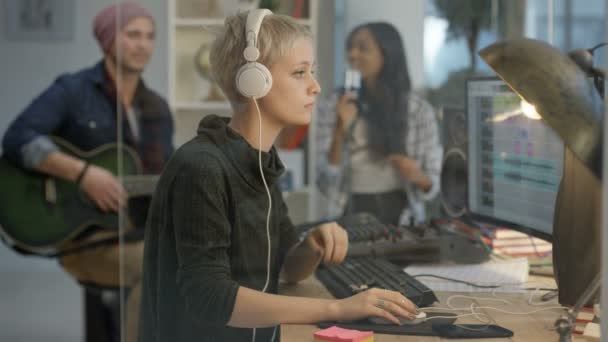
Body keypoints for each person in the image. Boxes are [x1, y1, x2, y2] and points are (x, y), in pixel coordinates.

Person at [139, 10, 419, 342]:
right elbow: (209, 298)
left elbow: (287, 267)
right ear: (253, 80)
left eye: (312, 72)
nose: (315, 87)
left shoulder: (261, 161)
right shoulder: (202, 166)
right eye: (300, 73)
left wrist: (312, 245)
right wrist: (339, 309)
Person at [2, 2, 174, 342]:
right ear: (108, 40)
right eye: (133, 35)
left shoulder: (157, 107)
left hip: (138, 232)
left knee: (189, 260)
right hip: (82, 240)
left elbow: (167, 176)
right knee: (158, 268)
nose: (143, 45)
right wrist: (83, 175)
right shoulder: (73, 91)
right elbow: (18, 138)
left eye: (150, 36)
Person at [316, 22, 443, 226]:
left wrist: (417, 175)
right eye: (350, 48)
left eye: (363, 48)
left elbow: (432, 187)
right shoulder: (334, 104)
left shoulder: (418, 110)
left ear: (387, 53)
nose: (353, 55)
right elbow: (325, 183)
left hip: (402, 216)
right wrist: (339, 131)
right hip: (348, 211)